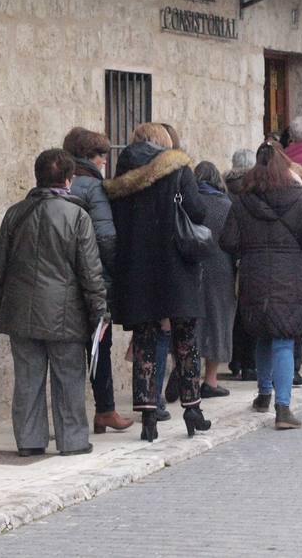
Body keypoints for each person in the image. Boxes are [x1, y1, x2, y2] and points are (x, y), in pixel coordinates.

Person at [0, 149, 108, 457]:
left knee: (27, 379)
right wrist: (99, 311)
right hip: (65, 314)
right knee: (68, 377)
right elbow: (90, 272)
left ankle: (29, 441)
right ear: (69, 180)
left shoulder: (15, 213)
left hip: (21, 311)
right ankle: (72, 441)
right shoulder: (78, 217)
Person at [105, 122, 211, 441]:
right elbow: (198, 212)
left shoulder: (119, 179)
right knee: (186, 340)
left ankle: (149, 418)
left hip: (137, 270)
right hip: (176, 267)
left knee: (145, 342)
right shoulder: (178, 170)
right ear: (162, 143)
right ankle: (192, 410)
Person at [220, 143, 302, 430]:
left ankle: (264, 394)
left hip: (255, 273)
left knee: (263, 335)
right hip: (289, 274)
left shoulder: (242, 200)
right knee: (284, 338)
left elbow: (228, 241)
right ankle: (283, 408)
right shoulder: (300, 197)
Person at [61, 127, 133, 434]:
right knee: (99, 344)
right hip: (94, 276)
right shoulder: (94, 187)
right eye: (101, 154)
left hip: (62, 276)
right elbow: (106, 237)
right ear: (89, 157)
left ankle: (73, 414)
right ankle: (105, 409)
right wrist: (119, 272)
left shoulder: (61, 183)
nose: (105, 160)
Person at [194, 161, 235, 399]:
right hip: (221, 268)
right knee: (219, 322)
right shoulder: (226, 205)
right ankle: (210, 379)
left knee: (191, 321)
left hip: (192, 266)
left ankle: (184, 373)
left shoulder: (189, 203)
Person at [224, 148, 259, 382]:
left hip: (227, 257)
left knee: (233, 313)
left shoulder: (224, 187)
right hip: (250, 257)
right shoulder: (255, 190)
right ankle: (249, 364)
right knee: (250, 312)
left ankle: (234, 360)